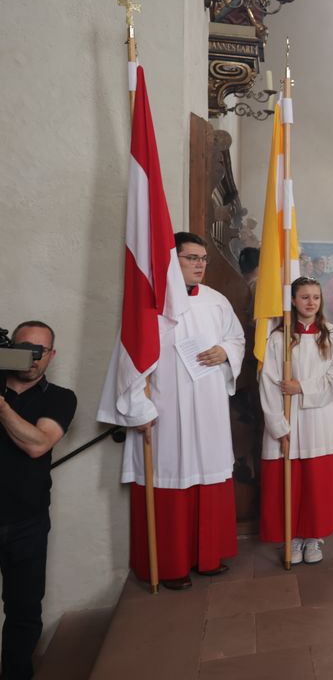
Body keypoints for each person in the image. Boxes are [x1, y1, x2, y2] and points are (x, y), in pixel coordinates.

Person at [109, 232, 244, 590]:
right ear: (172, 259)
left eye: (203, 259)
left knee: (209, 472)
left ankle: (208, 557)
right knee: (172, 477)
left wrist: (226, 352)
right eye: (191, 258)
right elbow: (132, 358)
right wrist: (139, 408)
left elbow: (237, 338)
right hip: (167, 407)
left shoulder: (216, 301)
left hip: (209, 406)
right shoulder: (152, 304)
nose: (200, 264)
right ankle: (170, 565)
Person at [1, 321, 75, 680]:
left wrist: (1, 407)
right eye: (24, 347)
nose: (31, 358)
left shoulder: (59, 397)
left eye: (39, 351)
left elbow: (37, 444)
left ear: (51, 356)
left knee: (24, 610)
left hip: (26, 523)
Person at [259, 278, 333, 565]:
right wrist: (278, 425)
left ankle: (314, 537)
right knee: (291, 480)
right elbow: (269, 382)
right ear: (293, 301)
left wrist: (302, 387)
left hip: (321, 419)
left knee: (316, 482)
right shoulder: (279, 338)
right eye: (304, 297)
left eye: (316, 297)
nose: (311, 302)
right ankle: (293, 537)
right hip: (289, 418)